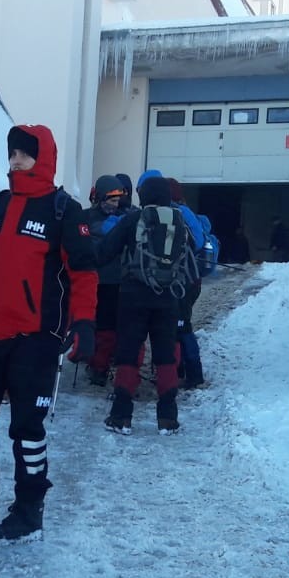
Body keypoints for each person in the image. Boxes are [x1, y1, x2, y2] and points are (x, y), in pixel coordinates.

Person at [0, 124, 96, 543]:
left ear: (42, 157)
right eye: (12, 154)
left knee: (27, 428)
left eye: (24, 154)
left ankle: (28, 511)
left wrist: (83, 323)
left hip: (37, 339)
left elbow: (83, 275)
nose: (15, 161)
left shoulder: (64, 210)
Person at [95, 176, 190, 435]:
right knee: (165, 355)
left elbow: (105, 252)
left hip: (133, 295)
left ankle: (121, 416)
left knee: (128, 353)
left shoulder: (133, 219)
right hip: (169, 297)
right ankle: (168, 419)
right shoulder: (179, 220)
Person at [83, 174, 129, 385]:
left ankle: (102, 366)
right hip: (98, 282)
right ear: (99, 197)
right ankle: (98, 365)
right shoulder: (89, 219)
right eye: (111, 200)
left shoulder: (123, 217)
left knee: (109, 327)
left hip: (114, 281)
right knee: (102, 327)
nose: (115, 204)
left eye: (117, 200)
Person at [166, 177, 207, 389]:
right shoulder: (185, 211)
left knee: (181, 327)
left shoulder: (177, 213)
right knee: (179, 325)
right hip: (190, 279)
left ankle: (192, 373)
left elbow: (197, 243)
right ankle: (182, 370)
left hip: (182, 280)